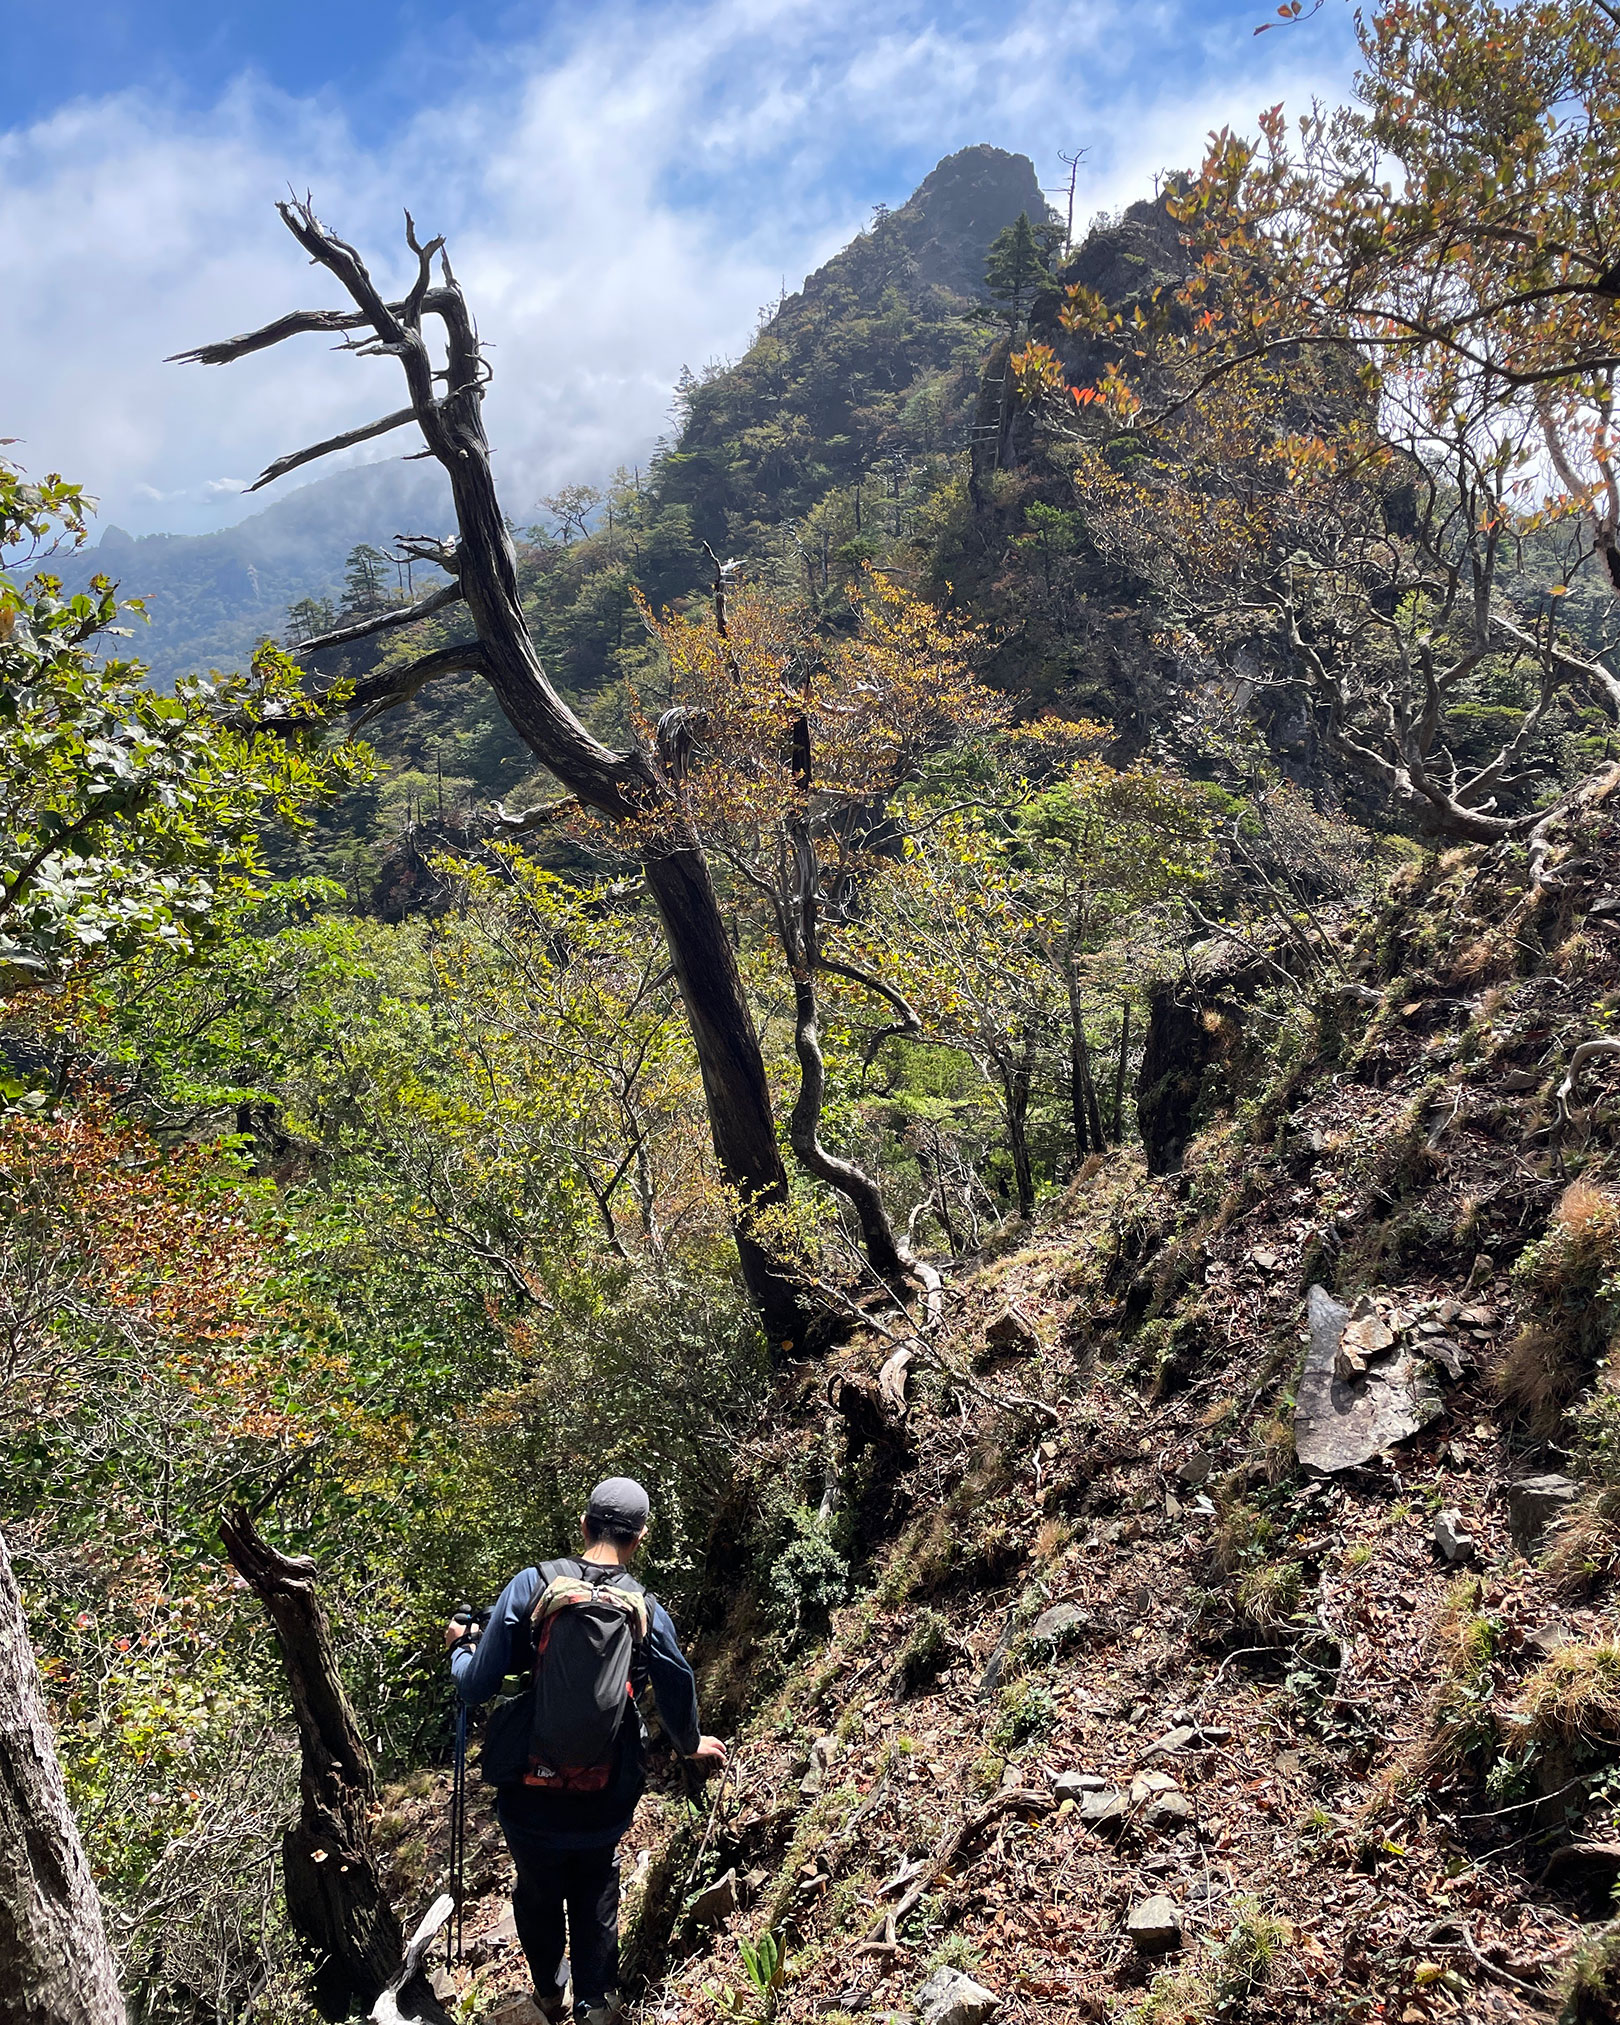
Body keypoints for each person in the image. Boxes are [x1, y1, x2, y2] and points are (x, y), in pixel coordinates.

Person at [446, 1477, 727, 2025]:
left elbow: (476, 1685)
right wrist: (690, 1742)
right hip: (606, 1784)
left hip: (529, 1786)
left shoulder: (533, 1585)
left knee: (538, 1890)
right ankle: (597, 2003)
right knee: (596, 1884)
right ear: (640, 1538)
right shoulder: (643, 1606)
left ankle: (550, 1994)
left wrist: (461, 1651)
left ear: (584, 1525)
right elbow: (677, 1680)